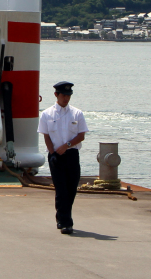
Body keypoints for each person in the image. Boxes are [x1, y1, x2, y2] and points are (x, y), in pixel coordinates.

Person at [38, 81, 88, 234]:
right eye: (64, 95)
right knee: (61, 190)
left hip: (71, 154)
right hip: (55, 156)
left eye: (68, 95)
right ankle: (66, 222)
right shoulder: (47, 114)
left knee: (71, 189)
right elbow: (46, 136)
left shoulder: (77, 113)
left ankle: (62, 217)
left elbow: (81, 136)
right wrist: (52, 153)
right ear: (56, 95)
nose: (66, 98)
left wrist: (67, 145)